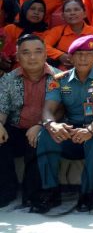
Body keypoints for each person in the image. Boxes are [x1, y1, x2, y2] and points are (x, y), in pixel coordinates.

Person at [35, 35, 93, 212]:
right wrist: (52, 125)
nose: (83, 58)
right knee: (45, 135)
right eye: (78, 54)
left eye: (88, 54)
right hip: (71, 128)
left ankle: (87, 192)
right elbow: (48, 109)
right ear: (71, 58)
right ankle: (51, 191)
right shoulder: (59, 80)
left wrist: (90, 130)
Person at [0, 35, 57, 207]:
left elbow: (63, 111)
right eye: (26, 53)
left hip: (46, 128)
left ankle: (32, 195)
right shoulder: (8, 79)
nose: (32, 57)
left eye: (37, 52)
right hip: (16, 128)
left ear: (46, 54)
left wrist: (40, 125)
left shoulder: (59, 78)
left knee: (39, 140)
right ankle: (6, 191)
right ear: (18, 57)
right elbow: (2, 108)